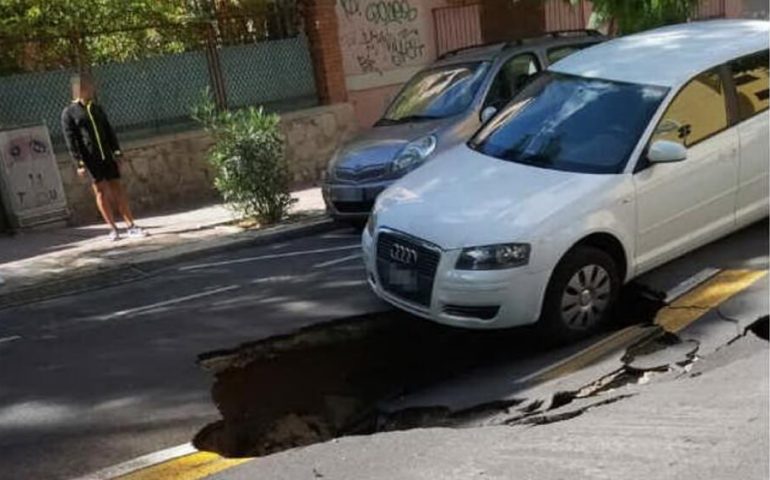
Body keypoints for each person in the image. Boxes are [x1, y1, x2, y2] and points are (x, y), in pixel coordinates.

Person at [61, 73, 146, 241]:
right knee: (100, 191)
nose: (92, 89)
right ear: (79, 89)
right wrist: (79, 163)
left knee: (117, 188)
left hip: (106, 155)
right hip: (90, 159)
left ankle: (131, 226)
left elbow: (108, 131)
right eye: (88, 86)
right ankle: (113, 229)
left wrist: (117, 152)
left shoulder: (97, 108)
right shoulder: (69, 113)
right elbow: (71, 140)